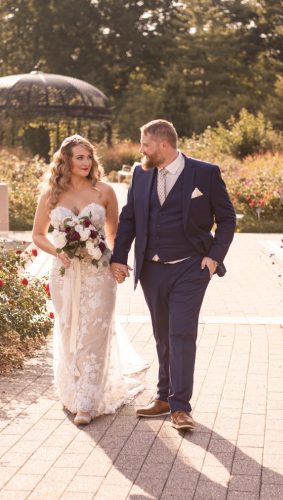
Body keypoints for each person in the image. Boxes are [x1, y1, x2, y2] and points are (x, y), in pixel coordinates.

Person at [110, 119, 236, 431]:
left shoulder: (204, 173)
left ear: (163, 145)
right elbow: (129, 219)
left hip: (190, 268)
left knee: (181, 332)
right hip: (151, 269)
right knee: (162, 334)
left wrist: (213, 258)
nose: (141, 150)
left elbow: (227, 218)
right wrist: (119, 258)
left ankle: (181, 406)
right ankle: (163, 397)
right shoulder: (141, 173)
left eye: (146, 144)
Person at [32, 135, 146, 426]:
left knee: (94, 333)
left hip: (98, 274)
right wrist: (60, 251)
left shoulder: (104, 192)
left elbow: (114, 236)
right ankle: (72, 390)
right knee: (69, 329)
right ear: (66, 160)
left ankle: (88, 401)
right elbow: (37, 235)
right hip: (65, 274)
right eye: (79, 157)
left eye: (89, 157)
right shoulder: (51, 195)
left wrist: (118, 263)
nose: (86, 162)